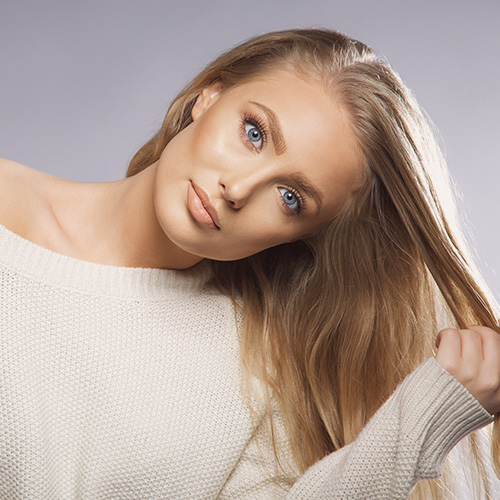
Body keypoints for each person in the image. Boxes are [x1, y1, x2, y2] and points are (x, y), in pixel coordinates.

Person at [0, 27, 499, 499]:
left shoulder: (253, 379)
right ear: (208, 96)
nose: (236, 190)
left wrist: (421, 422)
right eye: (254, 133)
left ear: (304, 236)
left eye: (289, 197)